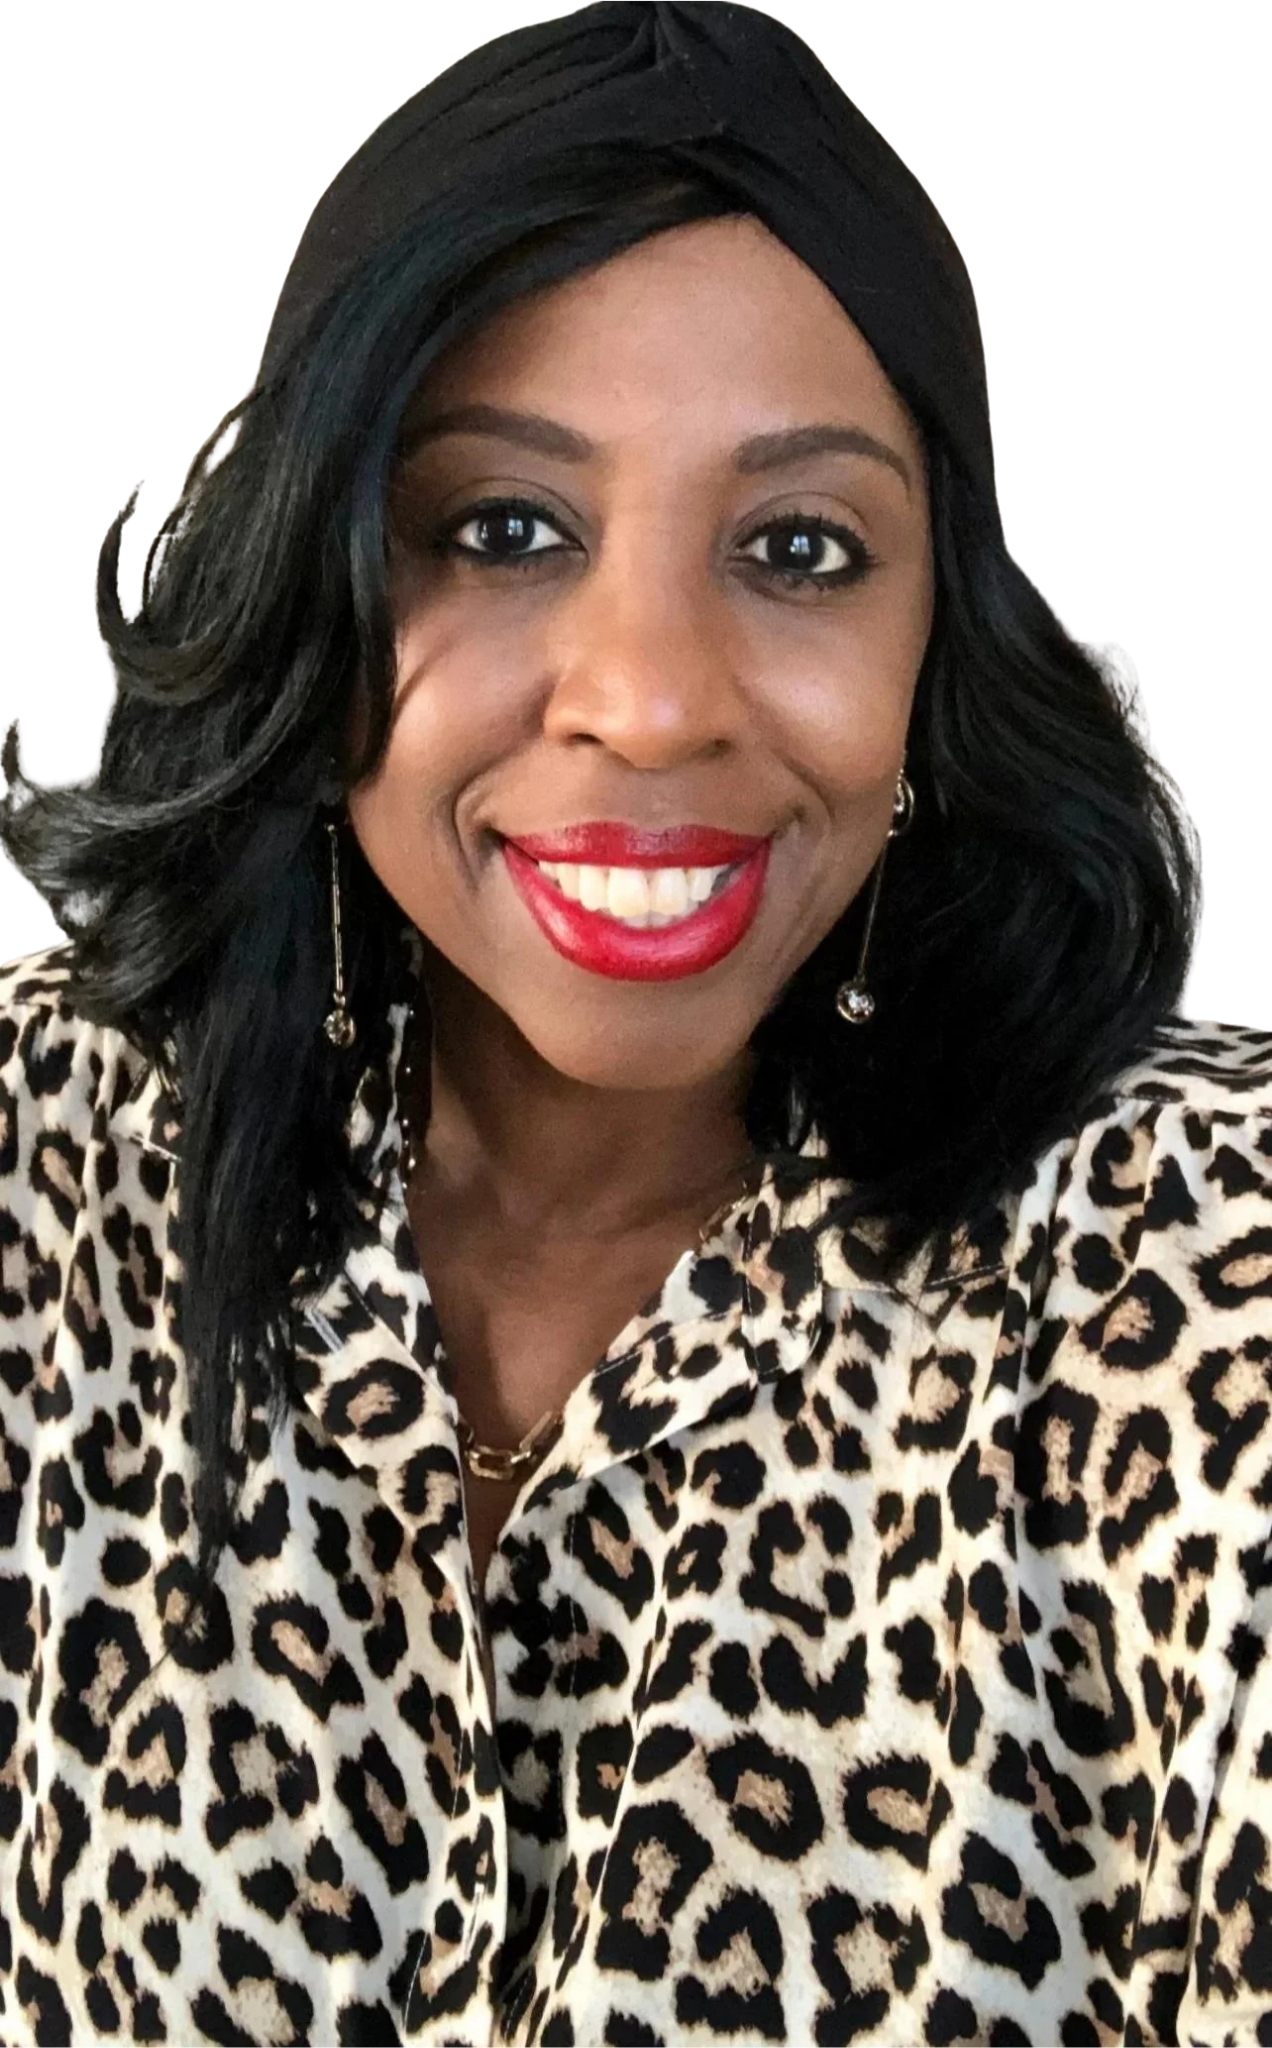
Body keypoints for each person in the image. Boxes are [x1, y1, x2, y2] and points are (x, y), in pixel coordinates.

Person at [1, 5, 1268, 2044]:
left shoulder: (1189, 1239)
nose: (654, 697)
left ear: (938, 644)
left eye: (799, 550)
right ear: (314, 601)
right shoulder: (41, 1159)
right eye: (503, 528)